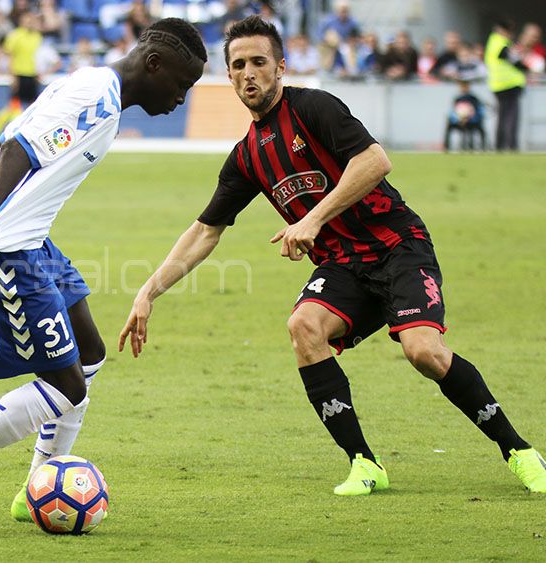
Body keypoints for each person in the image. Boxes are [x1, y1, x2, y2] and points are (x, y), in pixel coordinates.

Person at [119, 15, 546, 498]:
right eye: (238, 65)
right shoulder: (246, 157)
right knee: (304, 327)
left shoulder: (314, 108)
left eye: (259, 62)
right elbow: (204, 231)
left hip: (397, 246)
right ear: (230, 75)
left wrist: (312, 220)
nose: (249, 73)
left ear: (281, 66)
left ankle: (519, 451)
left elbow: (374, 161)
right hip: (343, 265)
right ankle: (364, 463)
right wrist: (147, 291)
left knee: (423, 352)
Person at [0, 17, 207, 536]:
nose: (182, 98)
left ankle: (36, 486)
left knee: (89, 353)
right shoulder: (94, 96)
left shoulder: (101, 94)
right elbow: (15, 150)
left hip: (30, 242)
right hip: (6, 247)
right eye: (182, 84)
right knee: (67, 387)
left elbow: (9, 142)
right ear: (154, 64)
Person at [485, 18, 527, 151]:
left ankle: (500, 146)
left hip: (499, 85)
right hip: (508, 85)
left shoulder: (493, 42)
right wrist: (527, 68)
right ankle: (510, 146)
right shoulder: (500, 42)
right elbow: (513, 60)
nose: (511, 34)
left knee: (503, 117)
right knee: (510, 117)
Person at [444, 76, 485, 152]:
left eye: (465, 86)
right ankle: (446, 147)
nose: (463, 88)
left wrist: (469, 118)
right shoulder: (457, 99)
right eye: (462, 86)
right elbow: (454, 111)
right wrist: (458, 118)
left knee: (471, 126)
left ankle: (471, 146)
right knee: (449, 124)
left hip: (472, 121)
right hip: (459, 120)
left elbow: (478, 111)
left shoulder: (473, 98)